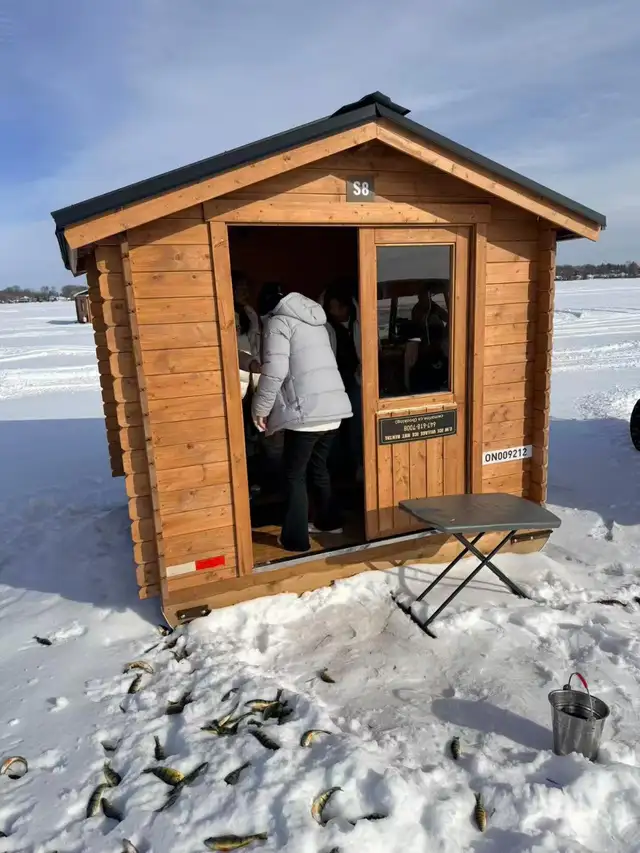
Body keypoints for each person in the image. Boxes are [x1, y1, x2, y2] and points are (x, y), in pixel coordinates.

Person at [251, 284, 353, 553]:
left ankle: (295, 539)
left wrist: (261, 408)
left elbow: (275, 371)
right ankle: (329, 522)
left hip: (306, 413)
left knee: (294, 475)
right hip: (334, 410)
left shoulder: (278, 322)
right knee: (319, 468)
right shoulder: (317, 321)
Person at [324, 284, 363, 482]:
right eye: (330, 308)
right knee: (334, 429)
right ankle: (337, 474)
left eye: (336, 307)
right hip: (333, 383)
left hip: (354, 380)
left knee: (356, 426)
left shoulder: (359, 322)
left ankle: (357, 467)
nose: (332, 311)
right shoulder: (325, 326)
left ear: (345, 307)